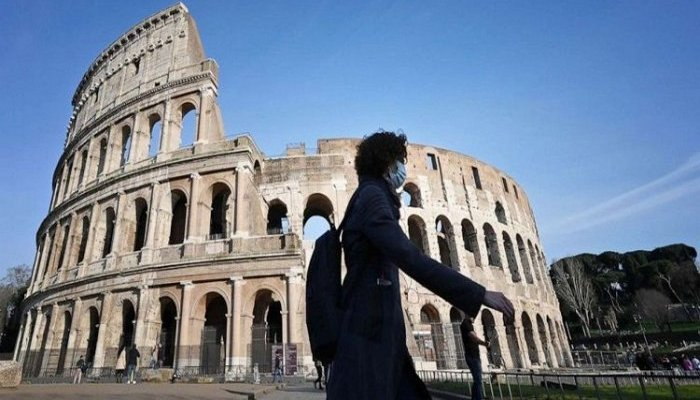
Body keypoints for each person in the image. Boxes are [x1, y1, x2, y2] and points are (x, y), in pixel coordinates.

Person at [326, 131, 514, 400]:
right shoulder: (372, 198)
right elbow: (410, 257)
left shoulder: (370, 196)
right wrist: (479, 293)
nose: (404, 168)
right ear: (387, 163)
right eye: (401, 160)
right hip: (368, 336)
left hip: (376, 334)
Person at [460, 316, 490, 400]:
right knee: (478, 380)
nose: (475, 317)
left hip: (474, 355)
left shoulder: (469, 324)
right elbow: (474, 338)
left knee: (477, 380)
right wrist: (484, 343)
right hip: (472, 356)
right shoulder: (466, 324)